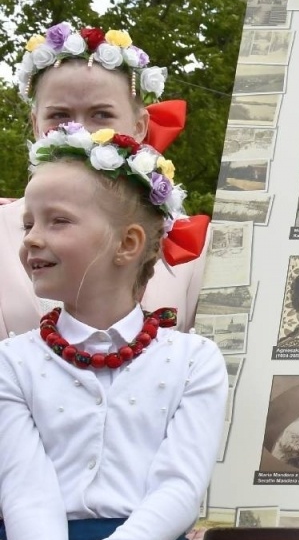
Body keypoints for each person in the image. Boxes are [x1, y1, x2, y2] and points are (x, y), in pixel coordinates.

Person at [0, 126, 264, 540]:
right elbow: (23, 491)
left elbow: (179, 490)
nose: (30, 236)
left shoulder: (190, 360)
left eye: (56, 220)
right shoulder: (13, 362)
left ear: (128, 244)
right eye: (28, 221)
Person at [1, 22, 204, 335]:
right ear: (35, 124)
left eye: (101, 115)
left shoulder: (193, 247)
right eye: (59, 116)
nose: (79, 131)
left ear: (139, 126)